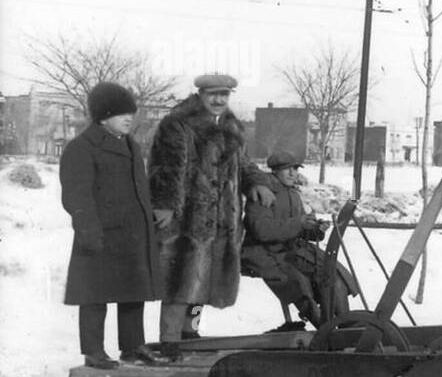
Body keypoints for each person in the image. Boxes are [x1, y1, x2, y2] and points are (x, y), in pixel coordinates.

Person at [149, 74, 274, 355]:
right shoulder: (178, 123)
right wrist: (166, 203)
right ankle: (170, 340)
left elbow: (243, 164)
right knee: (180, 280)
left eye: (224, 94)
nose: (219, 100)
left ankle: (189, 332)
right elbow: (165, 167)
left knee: (205, 280)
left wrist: (257, 182)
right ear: (200, 94)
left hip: (221, 220)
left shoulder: (232, 127)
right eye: (212, 94)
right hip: (186, 218)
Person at [60, 82, 168, 367]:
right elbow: (76, 196)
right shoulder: (82, 147)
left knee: (134, 292)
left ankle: (132, 346)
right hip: (99, 234)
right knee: (94, 295)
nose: (129, 118)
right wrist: (89, 232)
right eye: (121, 113)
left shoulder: (131, 144)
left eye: (130, 113)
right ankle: (93, 352)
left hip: (132, 234)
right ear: (103, 116)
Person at [240, 150, 356, 328]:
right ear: (275, 171)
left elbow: (300, 227)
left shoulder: (293, 194)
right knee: (299, 286)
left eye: (295, 168)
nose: (293, 173)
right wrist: (300, 223)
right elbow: (262, 230)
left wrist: (315, 229)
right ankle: (325, 331)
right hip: (263, 253)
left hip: (291, 251)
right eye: (287, 169)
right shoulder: (264, 192)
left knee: (332, 274)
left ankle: (346, 327)